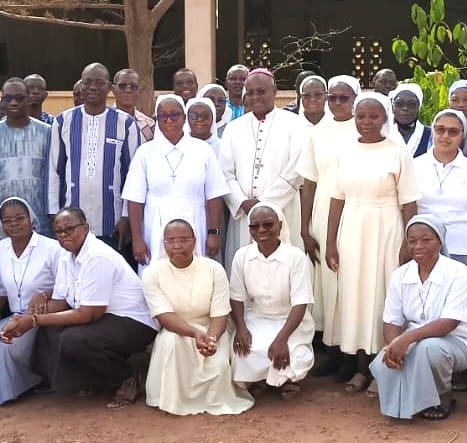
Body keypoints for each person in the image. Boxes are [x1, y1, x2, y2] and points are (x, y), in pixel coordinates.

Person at [0, 208, 158, 409]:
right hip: (105, 317)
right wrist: (23, 318)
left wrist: (34, 320)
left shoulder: (97, 256)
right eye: (58, 232)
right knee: (51, 329)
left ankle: (128, 377)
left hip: (134, 321)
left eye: (69, 229)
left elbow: (89, 314)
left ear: (86, 228)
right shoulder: (67, 256)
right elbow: (61, 302)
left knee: (73, 339)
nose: (64, 235)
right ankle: (82, 381)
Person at [325, 93, 421, 392]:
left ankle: (382, 367)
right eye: (361, 116)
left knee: (381, 294)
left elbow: (409, 203)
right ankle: (359, 364)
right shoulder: (344, 151)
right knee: (354, 294)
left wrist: (407, 243)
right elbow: (337, 199)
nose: (366, 122)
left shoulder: (397, 152)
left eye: (373, 116)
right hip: (352, 227)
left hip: (386, 228)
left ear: (385, 118)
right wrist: (330, 242)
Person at [369, 215, 467, 421]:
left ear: (440, 241)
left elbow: (449, 323)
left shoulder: (458, 272)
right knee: (382, 363)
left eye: (426, 240)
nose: (418, 246)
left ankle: (443, 396)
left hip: (456, 343)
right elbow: (391, 321)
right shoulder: (400, 275)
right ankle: (408, 401)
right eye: (412, 241)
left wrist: (406, 339)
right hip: (412, 342)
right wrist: (394, 346)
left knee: (429, 349)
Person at [142, 220, 254, 415]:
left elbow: (220, 314)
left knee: (217, 363)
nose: (177, 245)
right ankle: (174, 401)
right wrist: (194, 333)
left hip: (213, 328)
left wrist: (210, 339)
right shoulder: (152, 273)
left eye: (183, 239)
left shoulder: (214, 269)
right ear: (163, 243)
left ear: (194, 241)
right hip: (176, 328)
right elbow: (164, 316)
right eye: (171, 241)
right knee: (172, 342)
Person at [414, 110, 467, 349]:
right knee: (428, 307)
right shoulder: (415, 166)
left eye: (453, 131)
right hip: (423, 249)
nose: (445, 136)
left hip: (464, 249)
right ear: (433, 131)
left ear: (462, 136)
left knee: (465, 310)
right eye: (440, 130)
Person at [123, 94, 229, 267]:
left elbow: (214, 195)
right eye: (163, 116)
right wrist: (137, 239)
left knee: (195, 273)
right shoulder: (145, 152)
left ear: (184, 118)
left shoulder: (203, 150)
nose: (169, 120)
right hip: (155, 226)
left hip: (196, 222)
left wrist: (214, 232)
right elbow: (134, 199)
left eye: (174, 115)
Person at [0, 198, 62, 406]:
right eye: (7, 221)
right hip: (15, 314)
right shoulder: (0, 249)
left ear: (31, 219)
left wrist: (44, 294)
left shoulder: (52, 248)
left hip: (44, 314)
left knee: (8, 343)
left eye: (19, 218)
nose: (13, 224)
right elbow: (1, 290)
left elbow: (66, 287)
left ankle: (11, 392)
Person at [47, 63, 142, 250]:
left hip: (113, 221)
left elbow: (133, 175)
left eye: (99, 82)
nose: (92, 87)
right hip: (71, 221)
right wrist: (54, 213)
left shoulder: (126, 124)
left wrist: (126, 216)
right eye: (87, 82)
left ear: (109, 87)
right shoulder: (63, 121)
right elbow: (54, 171)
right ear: (81, 85)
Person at [219, 68, 306, 271]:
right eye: (250, 92)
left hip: (282, 210)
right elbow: (225, 173)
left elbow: (296, 170)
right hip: (244, 214)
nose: (255, 97)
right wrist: (242, 202)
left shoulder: (295, 124)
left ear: (274, 92)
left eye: (261, 91)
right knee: (243, 271)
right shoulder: (234, 128)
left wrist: (265, 204)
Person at [297, 75, 357, 363]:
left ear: (355, 98)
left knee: (351, 282)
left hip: (356, 212)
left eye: (343, 98)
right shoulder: (317, 133)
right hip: (322, 212)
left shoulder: (365, 127)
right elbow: (309, 182)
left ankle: (354, 354)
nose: (337, 103)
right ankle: (333, 350)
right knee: (328, 283)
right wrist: (304, 227)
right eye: (332, 97)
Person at [229, 203, 316, 399]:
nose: (261, 230)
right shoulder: (242, 256)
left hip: (290, 320)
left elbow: (300, 303)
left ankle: (288, 381)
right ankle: (260, 379)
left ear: (280, 225)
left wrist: (282, 339)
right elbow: (236, 297)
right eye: (254, 226)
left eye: (268, 224)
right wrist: (241, 328)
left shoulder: (295, 256)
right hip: (257, 317)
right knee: (245, 351)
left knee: (294, 355)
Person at [0, 77, 54, 245]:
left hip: (42, 224)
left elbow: (56, 180)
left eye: (19, 98)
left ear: (28, 99)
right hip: (3, 226)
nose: (14, 102)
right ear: (2, 101)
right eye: (8, 98)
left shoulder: (47, 133)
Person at [114, 69, 156, 142]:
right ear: (113, 89)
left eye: (133, 87)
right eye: (122, 86)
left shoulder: (148, 125)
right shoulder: (103, 121)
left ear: (139, 90)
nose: (128, 90)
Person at [391, 83, 432, 157]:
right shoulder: (382, 133)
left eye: (412, 104)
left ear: (419, 107)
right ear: (392, 106)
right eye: (399, 103)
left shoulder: (431, 135)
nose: (405, 108)